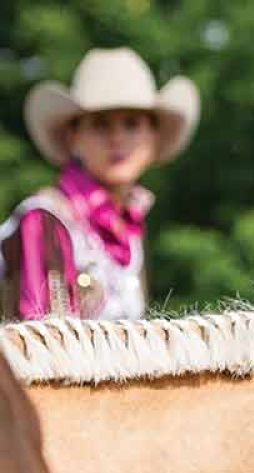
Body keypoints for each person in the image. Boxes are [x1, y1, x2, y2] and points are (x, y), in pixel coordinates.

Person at [1, 47, 200, 321]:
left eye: (131, 124)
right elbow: (40, 349)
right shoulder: (45, 221)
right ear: (74, 137)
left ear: (153, 136)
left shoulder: (130, 228)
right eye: (100, 124)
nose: (117, 138)